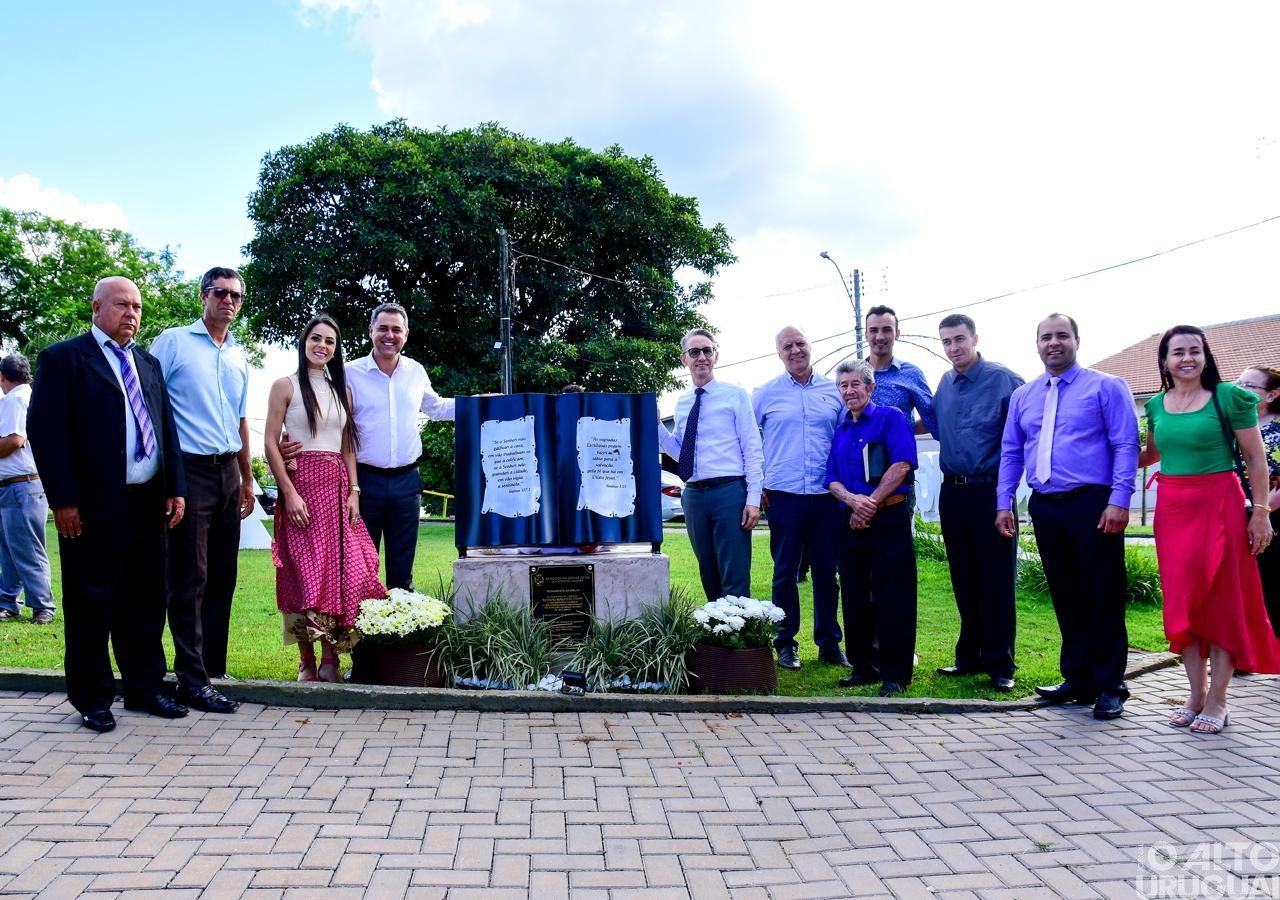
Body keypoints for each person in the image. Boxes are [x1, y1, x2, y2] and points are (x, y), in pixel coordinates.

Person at [27, 276, 188, 733]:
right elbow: (47, 433)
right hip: (92, 506)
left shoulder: (148, 363)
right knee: (91, 600)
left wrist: (174, 486)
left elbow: (165, 429)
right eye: (121, 305)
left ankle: (144, 688)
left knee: (146, 598)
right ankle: (93, 698)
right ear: (96, 308)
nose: (131, 314)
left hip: (147, 502)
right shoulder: (64, 359)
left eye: (136, 306)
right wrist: (63, 500)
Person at [996, 313, 1139, 720]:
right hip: (1047, 505)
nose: (1053, 343)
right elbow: (1010, 453)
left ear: (1077, 340)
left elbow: (1126, 444)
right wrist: (1003, 502)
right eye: (1045, 337)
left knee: (1102, 594)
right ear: (1036, 345)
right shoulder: (1024, 396)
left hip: (1094, 504)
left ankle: (1111, 684)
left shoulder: (1106, 387)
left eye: (1062, 336)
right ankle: (1078, 678)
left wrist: (1120, 500)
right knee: (1066, 593)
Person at [1139, 329, 1278, 733]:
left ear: (1205, 356)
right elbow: (1152, 454)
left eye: (1194, 351)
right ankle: (1194, 695)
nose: (1187, 358)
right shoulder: (1156, 405)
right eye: (1177, 352)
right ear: (1164, 360)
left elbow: (1255, 459)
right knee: (1185, 603)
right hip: (1173, 509)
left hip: (1221, 505)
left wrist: (1261, 512)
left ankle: (1218, 700)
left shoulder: (1229, 397)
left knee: (1221, 603)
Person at [291, 303, 455, 592]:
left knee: (402, 573)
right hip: (363, 482)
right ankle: (362, 637)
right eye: (382, 328)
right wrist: (286, 439)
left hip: (407, 482)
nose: (389, 335)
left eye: (396, 329)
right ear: (371, 331)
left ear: (406, 334)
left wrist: (480, 403)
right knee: (360, 568)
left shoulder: (415, 372)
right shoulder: (347, 372)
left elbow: (438, 407)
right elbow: (322, 414)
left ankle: (401, 634)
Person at [150, 267, 253, 712]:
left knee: (223, 575)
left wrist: (248, 478)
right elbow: (149, 404)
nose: (228, 301)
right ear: (203, 296)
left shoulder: (239, 356)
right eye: (220, 293)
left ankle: (213, 666)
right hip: (187, 471)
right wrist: (165, 478)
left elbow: (241, 419)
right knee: (189, 576)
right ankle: (191, 679)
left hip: (228, 469)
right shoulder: (173, 342)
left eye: (236, 295)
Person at [265, 314, 386, 682]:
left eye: (330, 341)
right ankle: (307, 661)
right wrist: (289, 493)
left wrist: (354, 491)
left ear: (336, 350)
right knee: (303, 575)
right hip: (301, 487)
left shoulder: (342, 391)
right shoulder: (284, 386)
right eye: (316, 338)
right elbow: (271, 441)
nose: (322, 346)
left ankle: (332, 657)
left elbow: (348, 446)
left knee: (345, 569)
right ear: (304, 342)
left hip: (336, 490)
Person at [933, 314, 1024, 692]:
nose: (954, 348)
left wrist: (1006, 495)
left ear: (974, 338)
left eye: (959, 340)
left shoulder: (1004, 380)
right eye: (947, 342)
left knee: (996, 580)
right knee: (964, 578)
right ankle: (968, 658)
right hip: (952, 492)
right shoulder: (945, 383)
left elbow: (1022, 437)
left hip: (992, 493)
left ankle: (1000, 664)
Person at [752, 326, 847, 670]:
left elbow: (844, 441)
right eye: (787, 346)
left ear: (811, 347)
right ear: (779, 353)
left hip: (826, 496)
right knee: (785, 573)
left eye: (801, 344)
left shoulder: (833, 391)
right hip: (783, 495)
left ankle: (829, 644)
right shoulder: (764, 394)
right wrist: (757, 484)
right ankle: (785, 642)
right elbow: (750, 441)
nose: (795, 350)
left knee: (826, 573)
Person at [824, 359, 918, 696]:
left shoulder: (890, 418)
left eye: (855, 384)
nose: (849, 391)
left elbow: (903, 464)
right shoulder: (841, 431)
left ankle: (895, 673)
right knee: (854, 594)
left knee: (894, 595)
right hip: (849, 521)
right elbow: (831, 479)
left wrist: (871, 502)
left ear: (871, 387)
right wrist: (853, 501)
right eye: (843, 386)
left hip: (888, 518)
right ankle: (863, 666)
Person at [659, 329, 763, 601]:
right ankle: (717, 637)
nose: (701, 357)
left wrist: (753, 499)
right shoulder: (682, 403)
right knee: (708, 571)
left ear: (716, 355)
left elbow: (752, 448)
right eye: (695, 352)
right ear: (684, 359)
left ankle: (739, 639)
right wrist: (657, 425)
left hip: (729, 491)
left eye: (707, 350)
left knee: (735, 572)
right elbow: (681, 452)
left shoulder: (735, 395)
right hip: (693, 495)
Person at [0, 354, 55, 624]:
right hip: (18, 484)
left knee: (27, 548)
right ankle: (8, 601)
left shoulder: (15, 399)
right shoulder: (28, 396)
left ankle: (43, 605)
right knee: (10, 548)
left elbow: (14, 440)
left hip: (22, 483)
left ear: (2, 376)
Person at [1234, 364, 1280, 632]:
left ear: (1272, 395)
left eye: (1249, 385)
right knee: (1243, 586)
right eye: (1237, 382)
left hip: (1272, 513)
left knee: (1272, 582)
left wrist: (1268, 507)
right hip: (1236, 511)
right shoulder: (1231, 427)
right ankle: (1245, 652)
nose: (1239, 389)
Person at [864, 305, 937, 436]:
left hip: (900, 456)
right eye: (874, 330)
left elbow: (933, 421)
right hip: (857, 456)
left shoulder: (912, 374)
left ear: (897, 334)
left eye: (887, 330)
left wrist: (901, 431)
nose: (880, 337)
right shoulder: (852, 377)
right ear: (866, 335)